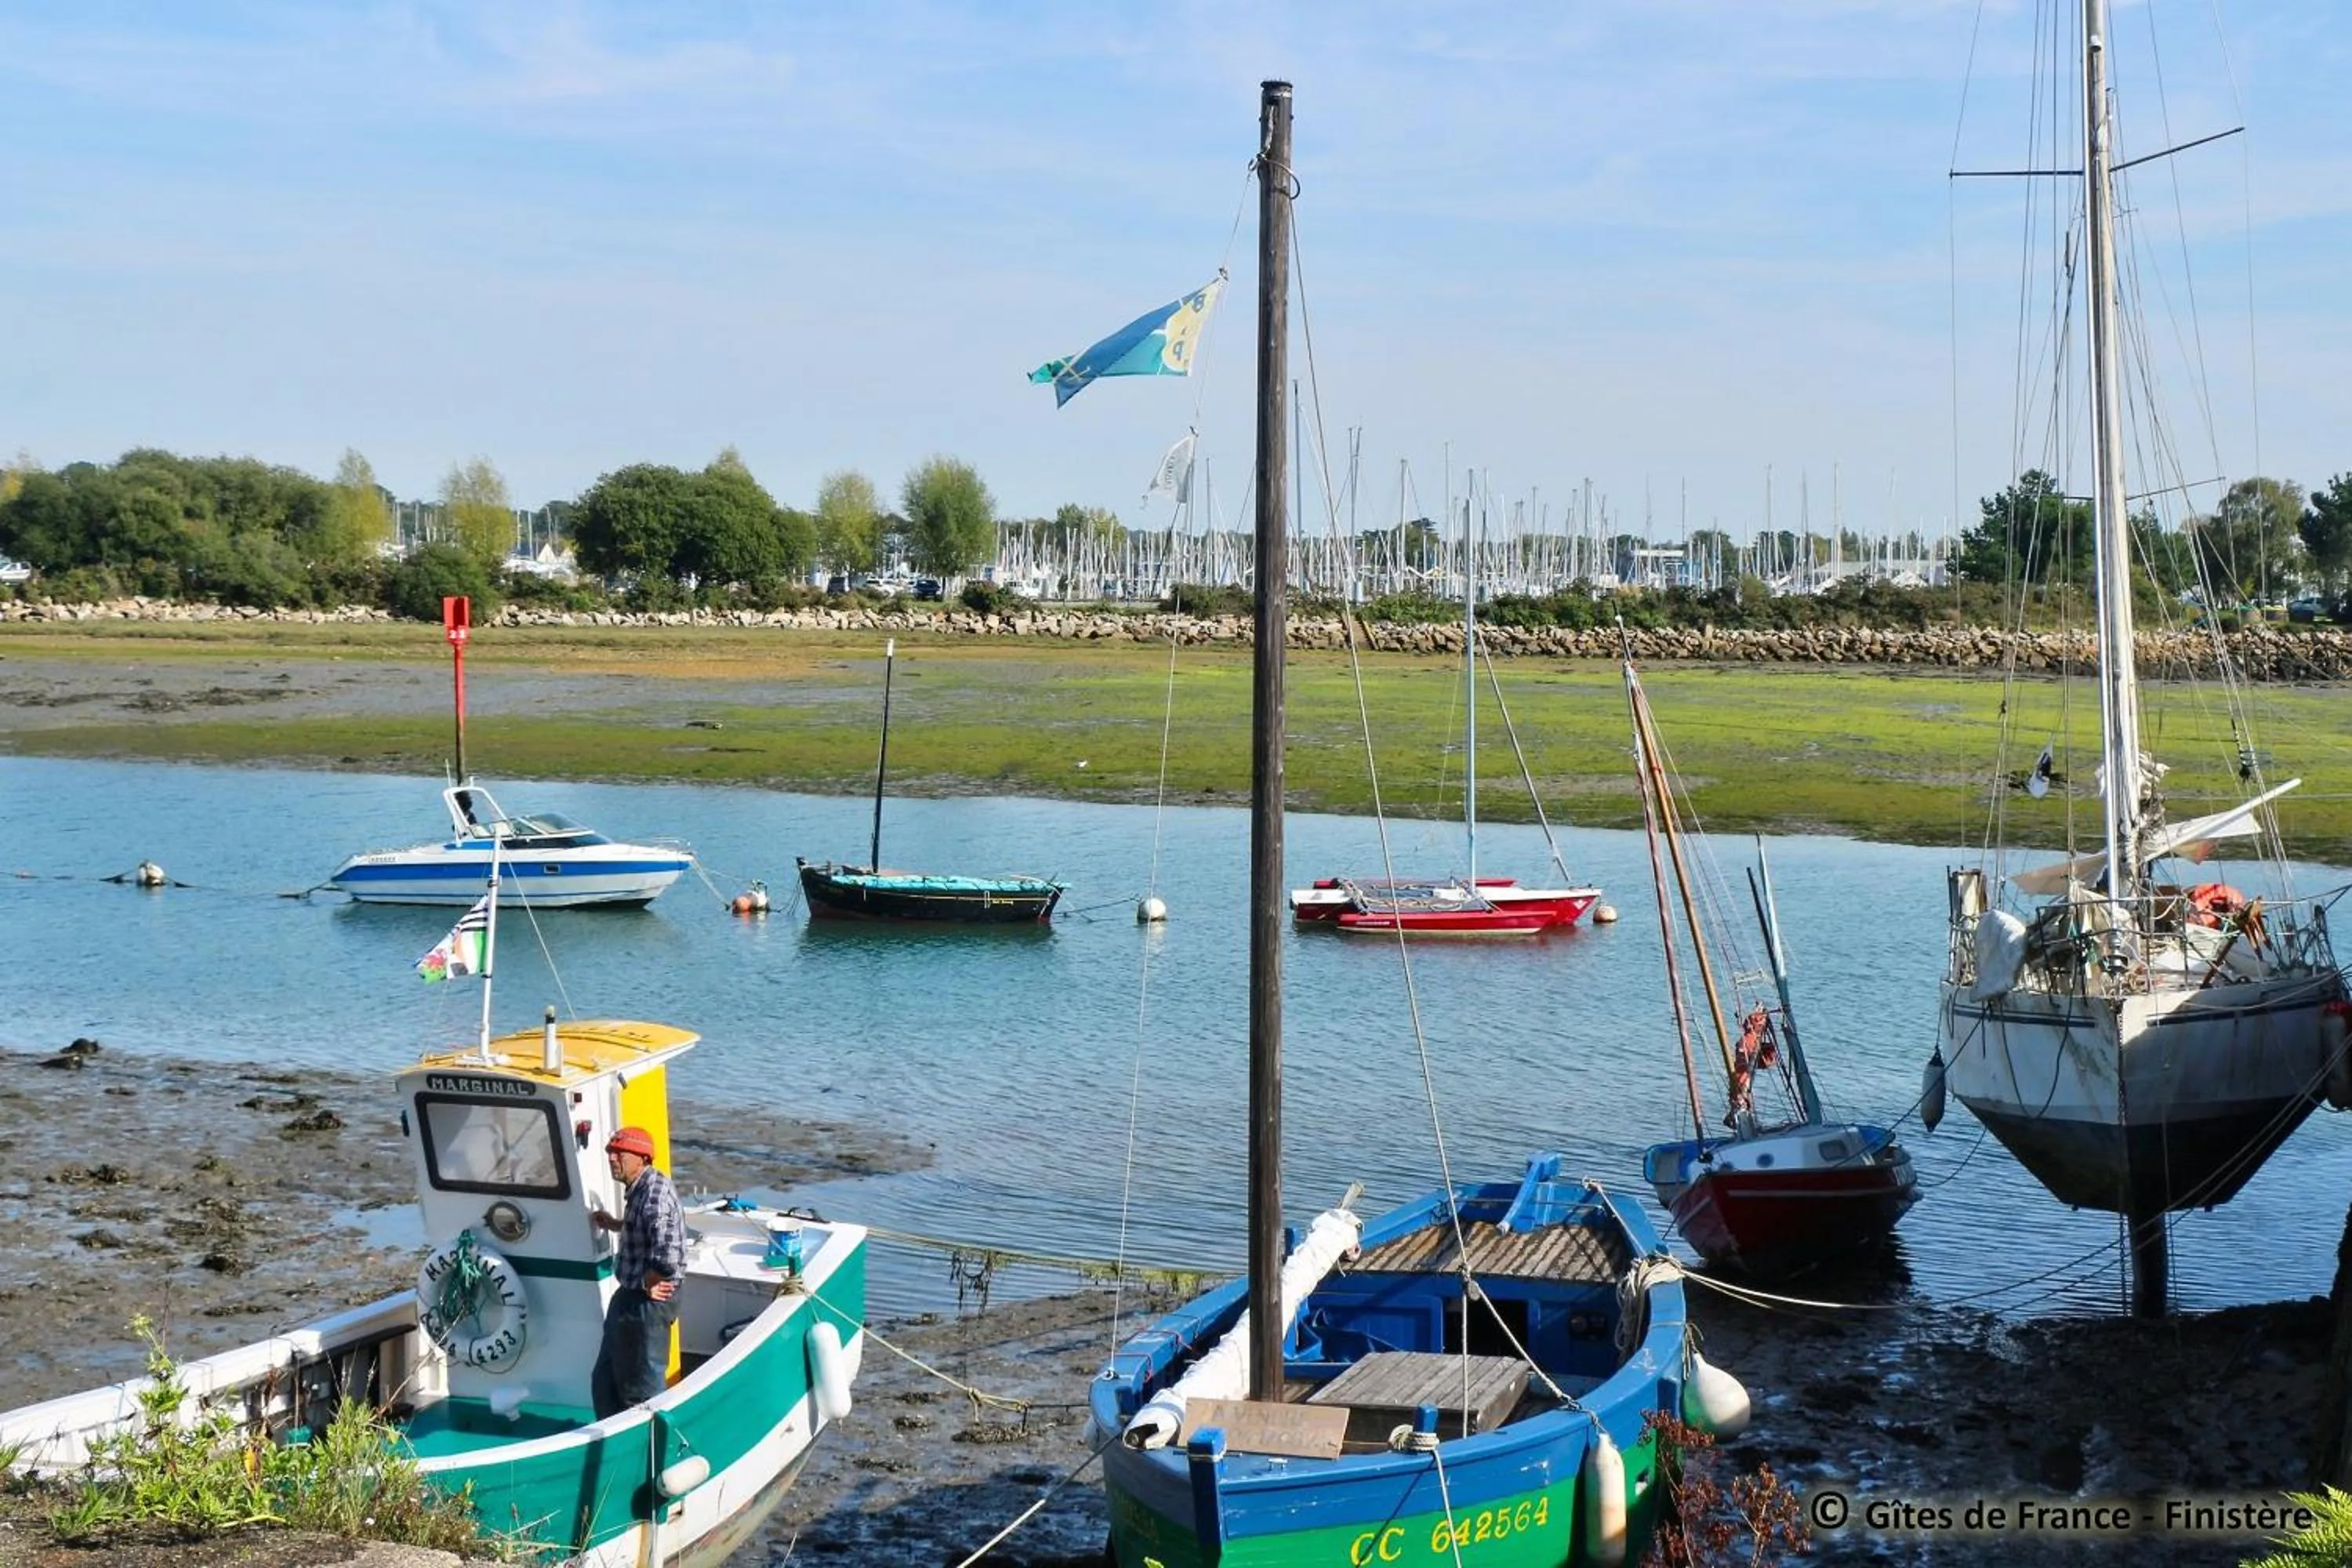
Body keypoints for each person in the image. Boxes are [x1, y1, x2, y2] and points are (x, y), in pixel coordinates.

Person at [589, 1126, 685, 1418]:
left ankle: (648, 1445)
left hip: (647, 1302)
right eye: (610, 1152)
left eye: (620, 1153)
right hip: (631, 1293)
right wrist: (617, 1224)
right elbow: (645, 1228)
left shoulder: (655, 1194)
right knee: (605, 1379)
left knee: (641, 1388)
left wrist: (647, 1284)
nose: (612, 1158)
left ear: (642, 1157)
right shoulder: (641, 1188)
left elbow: (667, 1256)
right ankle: (610, 1432)